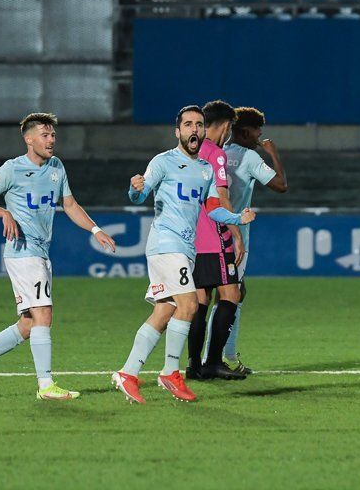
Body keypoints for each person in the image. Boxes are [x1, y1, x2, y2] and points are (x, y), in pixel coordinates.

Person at [0, 112, 117, 400]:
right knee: (44, 314)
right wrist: (4, 212)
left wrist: (95, 229)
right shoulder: (11, 169)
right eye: (45, 135)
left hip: (41, 252)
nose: (51, 140)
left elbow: (69, 205)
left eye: (53, 135)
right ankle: (46, 386)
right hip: (22, 250)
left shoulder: (56, 167)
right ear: (28, 139)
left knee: (29, 324)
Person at [111, 105, 256, 404]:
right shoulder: (163, 162)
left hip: (185, 248)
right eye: (188, 124)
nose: (194, 130)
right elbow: (140, 195)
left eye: (199, 125)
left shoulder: (204, 169)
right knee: (189, 304)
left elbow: (212, 209)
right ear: (177, 132)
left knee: (165, 311)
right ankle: (170, 372)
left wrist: (237, 219)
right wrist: (133, 188)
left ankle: (127, 373)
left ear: (203, 131)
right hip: (166, 244)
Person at [205, 106, 287, 374]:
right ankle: (219, 357)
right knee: (230, 295)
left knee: (217, 295)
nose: (260, 134)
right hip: (234, 234)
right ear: (243, 130)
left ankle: (208, 358)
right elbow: (280, 185)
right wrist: (272, 153)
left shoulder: (216, 154)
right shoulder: (249, 157)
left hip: (208, 231)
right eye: (256, 130)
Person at [187, 100, 247, 381]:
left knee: (200, 298)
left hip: (189, 238)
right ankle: (212, 362)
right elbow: (221, 196)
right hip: (213, 236)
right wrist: (236, 234)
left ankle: (193, 365)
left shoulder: (188, 151)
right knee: (231, 294)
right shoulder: (216, 153)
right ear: (225, 126)